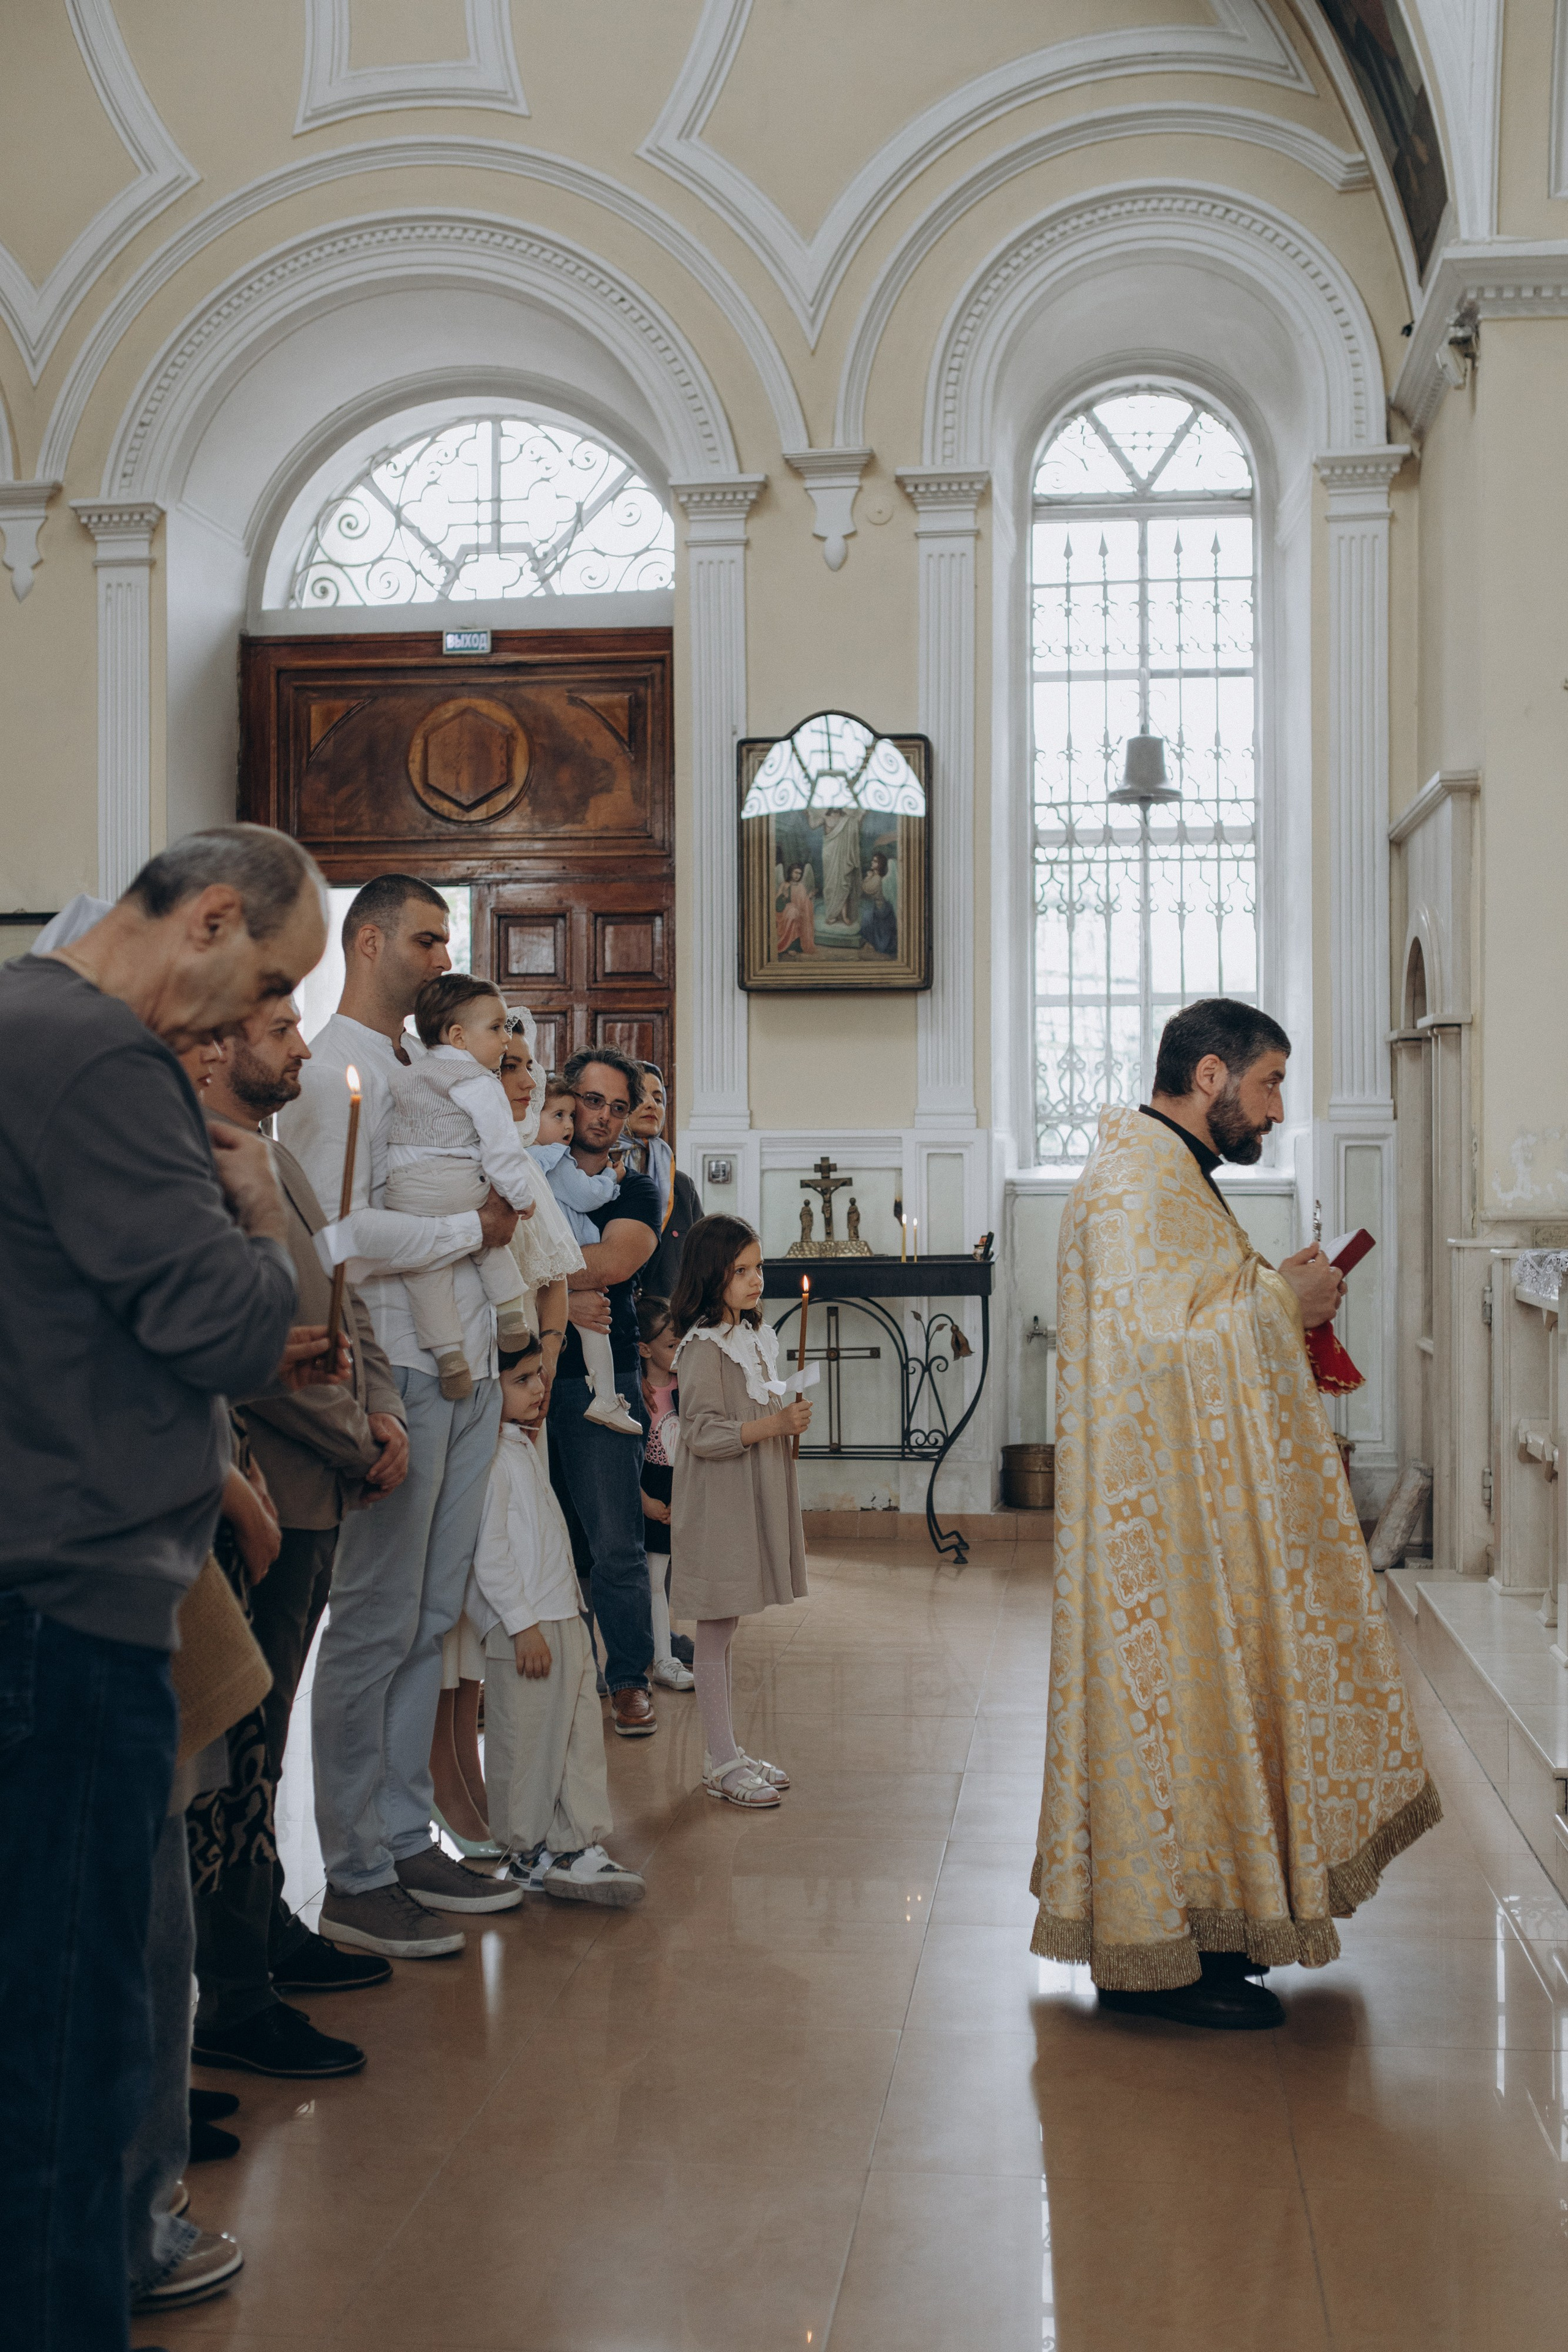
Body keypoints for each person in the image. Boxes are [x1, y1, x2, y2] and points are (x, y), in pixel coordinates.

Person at [0, 824, 331, 2352]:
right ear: (207, 918)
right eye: (266, 978)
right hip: (74, 1598)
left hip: (44, 1558)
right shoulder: (98, 1056)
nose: (251, 1021)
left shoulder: (19, 1015)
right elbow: (217, 1326)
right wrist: (261, 1219)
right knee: (74, 2032)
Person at [1031, 998, 1442, 2030]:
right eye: (1268, 1085)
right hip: (1153, 1541)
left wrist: (1272, 1293)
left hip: (1184, 1525)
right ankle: (1153, 1960)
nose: (1276, 1108)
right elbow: (1150, 1354)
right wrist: (1274, 1305)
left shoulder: (1170, 1176)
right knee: (1175, 1721)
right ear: (1210, 1077)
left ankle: (1209, 1935)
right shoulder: (1135, 1183)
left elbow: (1187, 1316)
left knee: (1209, 1720)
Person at [280, 875, 524, 1961]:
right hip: (399, 1371)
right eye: (426, 938)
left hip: (463, 1360)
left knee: (433, 1612)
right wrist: (469, 1231)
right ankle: (352, 1867)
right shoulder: (336, 1068)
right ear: (367, 939)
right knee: (378, 1616)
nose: (441, 957)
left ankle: (400, 1824)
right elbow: (338, 1241)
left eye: (446, 940)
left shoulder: (429, 1068)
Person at [190, 997, 410, 2080]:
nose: (304, 1048)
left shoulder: (284, 1162)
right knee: (243, 1751)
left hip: (322, 1474)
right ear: (217, 1044)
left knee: (269, 1748)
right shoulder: (202, 1167)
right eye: (280, 1028)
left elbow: (343, 1298)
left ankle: (267, 1923)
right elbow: (248, 1345)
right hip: (271, 1486)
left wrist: (387, 1411)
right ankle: (230, 1990)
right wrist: (346, 1434)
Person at [426, 1016, 582, 1858]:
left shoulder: (524, 1173)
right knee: (457, 1599)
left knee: (507, 1573)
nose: (523, 1080)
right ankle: (444, 1774)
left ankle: (480, 1773)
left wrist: (543, 1366)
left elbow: (552, 1281)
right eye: (507, 1063)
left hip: (521, 1397)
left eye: (529, 1066)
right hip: (467, 1390)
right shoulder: (456, 1163)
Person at [468, 1341, 646, 1906]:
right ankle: (526, 1851)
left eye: (539, 1378)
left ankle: (576, 1844)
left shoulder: (523, 1447)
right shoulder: (488, 1462)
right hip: (526, 1629)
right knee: (526, 1743)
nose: (539, 1390)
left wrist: (571, 1613)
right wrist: (521, 1625)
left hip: (562, 1616)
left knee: (576, 1736)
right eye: (521, 1380)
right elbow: (488, 1553)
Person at [669, 1216, 811, 1807]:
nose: (756, 1280)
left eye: (759, 1268)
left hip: (744, 1494)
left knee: (727, 1630)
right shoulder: (704, 1347)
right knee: (714, 1628)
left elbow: (753, 1401)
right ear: (712, 1276)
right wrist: (771, 1425)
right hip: (717, 1502)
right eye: (741, 1271)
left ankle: (726, 1748)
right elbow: (701, 1433)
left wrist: (786, 1405)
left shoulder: (753, 1336)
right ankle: (721, 1760)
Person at [546, 1050, 662, 1736]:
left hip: (603, 1375)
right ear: (568, 1100)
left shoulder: (635, 1188)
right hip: (524, 1366)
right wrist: (563, 1287)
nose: (605, 1117)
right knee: (540, 1534)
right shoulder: (528, 1166)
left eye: (618, 1107)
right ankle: (553, 1673)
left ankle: (627, 1678)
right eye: (592, 1101)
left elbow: (616, 1261)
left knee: (615, 1539)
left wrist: (542, 1279)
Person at [383, 974, 537, 1401]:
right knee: (489, 1240)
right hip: (457, 1181)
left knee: (425, 1270)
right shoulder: (476, 1082)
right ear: (458, 1037)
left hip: (405, 1191)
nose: (506, 1038)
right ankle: (511, 1316)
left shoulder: (407, 1073)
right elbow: (501, 1149)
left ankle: (448, 1354)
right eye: (497, 1027)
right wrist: (521, 1198)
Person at [535, 1099, 643, 1436]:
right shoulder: (552, 1157)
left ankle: (606, 1399)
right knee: (596, 1326)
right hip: (561, 1252)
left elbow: (615, 1262)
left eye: (570, 1115)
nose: (567, 1125)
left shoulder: (524, 1157)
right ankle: (607, 1400)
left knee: (592, 1322)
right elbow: (586, 1196)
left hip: (550, 1259)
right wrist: (613, 1176)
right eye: (557, 1116)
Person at [636, 1295, 695, 1692]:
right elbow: (631, 1455)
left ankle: (661, 1647)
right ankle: (663, 1659)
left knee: (669, 1577)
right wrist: (646, 1502)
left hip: (681, 1490)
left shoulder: (683, 1387)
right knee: (654, 1578)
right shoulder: (638, 1394)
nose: (678, 1352)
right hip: (651, 1491)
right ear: (644, 1349)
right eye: (670, 1345)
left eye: (680, 1344)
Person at [624, 1061, 703, 1304]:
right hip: (609, 1318)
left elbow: (703, 1260)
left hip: (669, 1324)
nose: (651, 1104)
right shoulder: (597, 1171)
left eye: (659, 1099)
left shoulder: (681, 1186)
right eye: (640, 1095)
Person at [858, 850, 897, 956]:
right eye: (873, 861)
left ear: (880, 864)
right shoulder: (878, 877)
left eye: (875, 861)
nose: (872, 863)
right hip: (880, 907)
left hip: (882, 909)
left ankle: (878, 945)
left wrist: (869, 877)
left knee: (867, 919)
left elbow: (866, 888)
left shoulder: (878, 879)